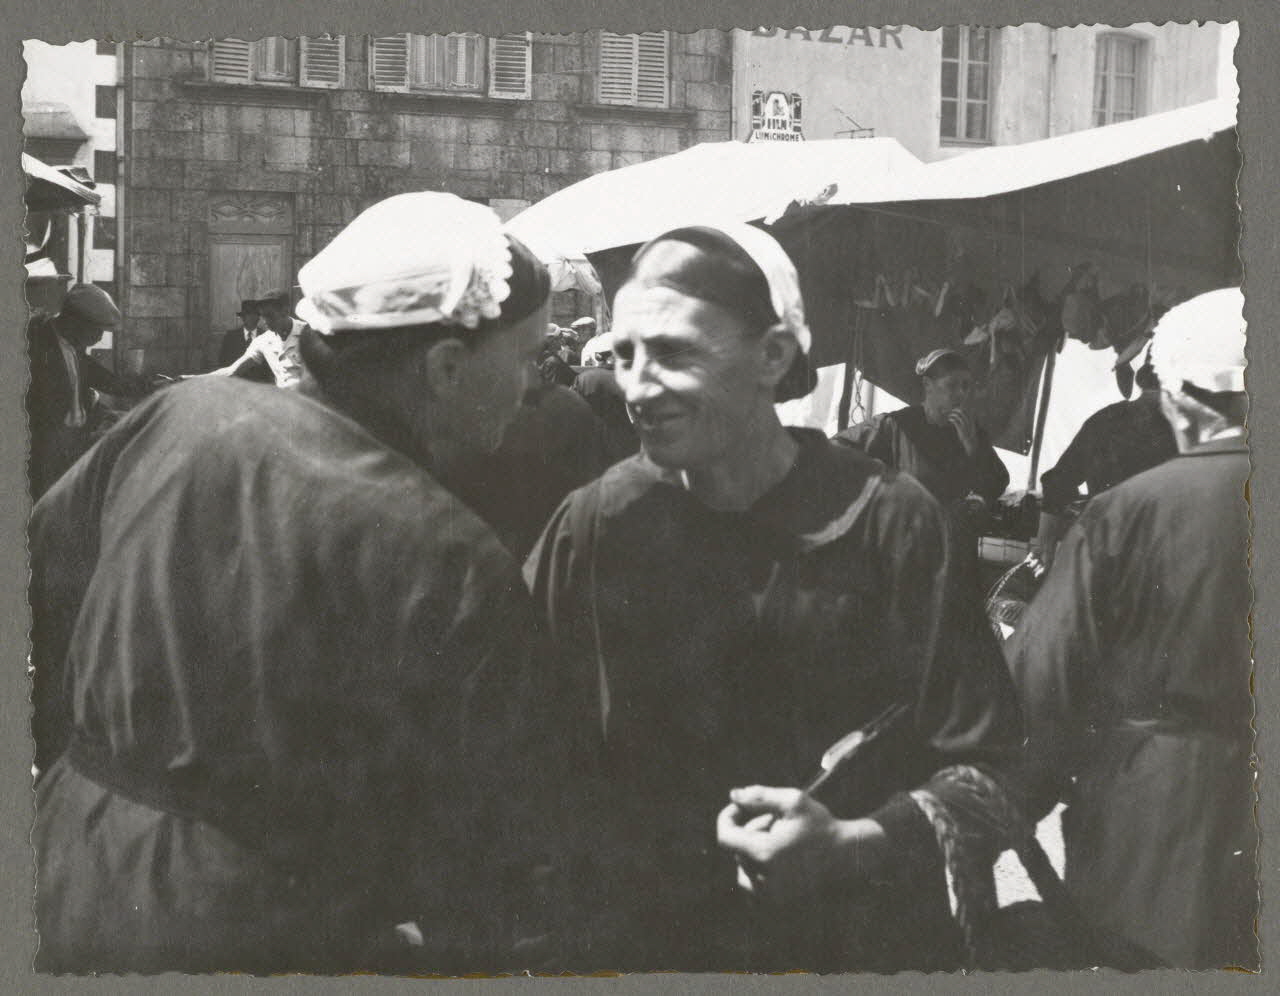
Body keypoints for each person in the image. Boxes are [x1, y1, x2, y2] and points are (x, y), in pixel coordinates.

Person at [31, 194, 563, 973]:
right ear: (446, 367)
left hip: (67, 870)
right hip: (268, 924)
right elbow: (482, 838)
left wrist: (81, 762)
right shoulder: (449, 553)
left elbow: (38, 586)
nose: (531, 386)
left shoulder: (177, 416)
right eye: (525, 359)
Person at [525, 224, 1023, 971]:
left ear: (773, 356)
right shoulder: (596, 524)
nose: (634, 386)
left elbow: (990, 766)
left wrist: (856, 842)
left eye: (674, 352)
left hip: (851, 946)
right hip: (651, 947)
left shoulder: (891, 521)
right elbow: (518, 745)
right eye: (625, 354)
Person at [1002, 287, 1256, 969]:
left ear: (1174, 397)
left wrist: (1002, 808)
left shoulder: (1124, 513)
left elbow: (1040, 685)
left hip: (1153, 852)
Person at [834, 348, 1010, 589]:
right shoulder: (897, 426)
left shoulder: (971, 432)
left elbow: (997, 481)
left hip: (953, 554)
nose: (961, 394)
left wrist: (972, 449)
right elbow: (839, 447)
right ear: (928, 386)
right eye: (952, 386)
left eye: (966, 386)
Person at [1034, 353, 1178, 566]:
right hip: (1148, 555)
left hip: (1106, 551)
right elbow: (1059, 482)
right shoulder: (1181, 428)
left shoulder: (1106, 419)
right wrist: (1044, 544)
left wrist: (1044, 542)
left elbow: (1058, 482)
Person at [27, 283, 135, 498]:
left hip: (74, 444)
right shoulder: (36, 350)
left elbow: (110, 383)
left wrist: (160, 385)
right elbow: (45, 420)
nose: (99, 338)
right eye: (96, 330)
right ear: (74, 322)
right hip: (52, 459)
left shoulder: (73, 346)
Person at [211, 290, 305, 387]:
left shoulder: (309, 334)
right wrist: (198, 378)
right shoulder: (262, 341)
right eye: (263, 316)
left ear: (285, 311)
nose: (265, 321)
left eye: (270, 316)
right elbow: (231, 371)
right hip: (280, 399)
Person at [571, 332, 639, 464]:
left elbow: (572, 412)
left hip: (592, 447)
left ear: (598, 356)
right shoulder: (631, 378)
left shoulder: (584, 379)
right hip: (626, 447)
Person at [215, 298, 268, 372]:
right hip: (234, 380)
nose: (251, 317)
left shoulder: (266, 337)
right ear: (242, 317)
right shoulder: (231, 337)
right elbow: (223, 362)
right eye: (248, 314)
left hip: (259, 381)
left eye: (255, 314)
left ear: (259, 317)